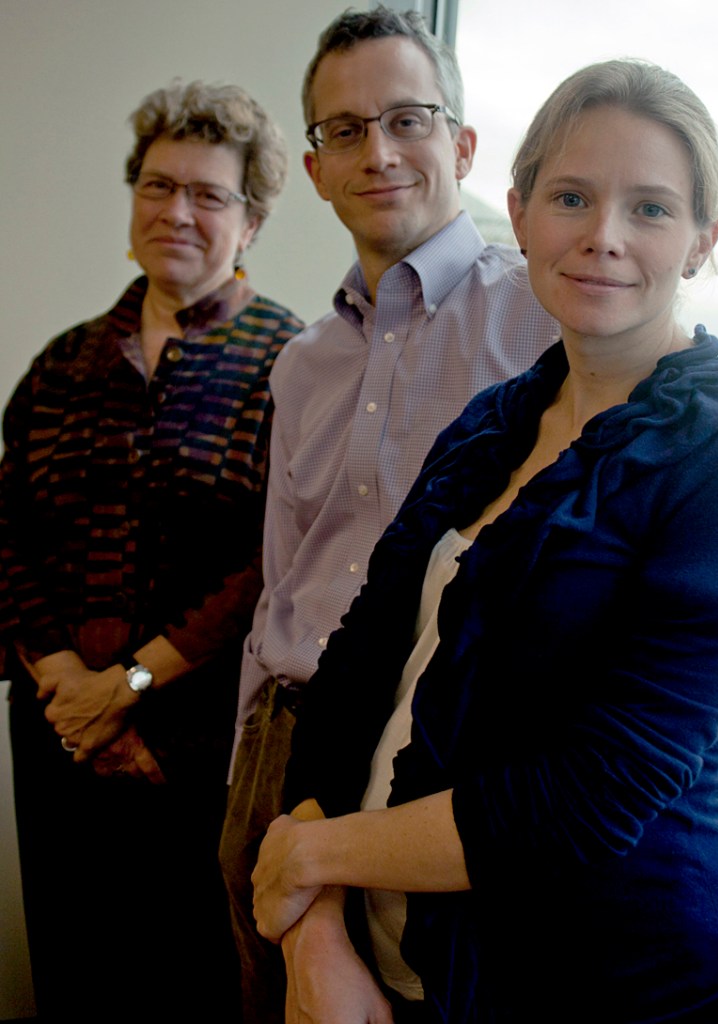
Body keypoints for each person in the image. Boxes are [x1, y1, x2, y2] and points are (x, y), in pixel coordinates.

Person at [252, 59, 718, 1023]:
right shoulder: (495, 421)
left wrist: (312, 856)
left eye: (651, 209)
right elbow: (352, 671)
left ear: (701, 243)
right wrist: (315, 933)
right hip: (397, 971)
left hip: (614, 986)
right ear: (518, 215)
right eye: (572, 197)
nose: (603, 238)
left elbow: (594, 791)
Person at [218, 6, 557, 1022]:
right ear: (314, 170)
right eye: (343, 131)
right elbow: (284, 573)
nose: (378, 152)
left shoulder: (543, 318)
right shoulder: (301, 361)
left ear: (458, 142)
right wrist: (248, 763)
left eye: (406, 119)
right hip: (274, 749)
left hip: (425, 758)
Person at [0, 80, 303, 1023]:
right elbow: (8, 532)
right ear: (132, 202)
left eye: (209, 195)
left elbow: (273, 561)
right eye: (157, 187)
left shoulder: (292, 360)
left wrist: (128, 687)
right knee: (75, 972)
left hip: (203, 747)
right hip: (59, 735)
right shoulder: (61, 361)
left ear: (250, 222)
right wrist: (64, 680)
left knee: (195, 981)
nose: (177, 212)